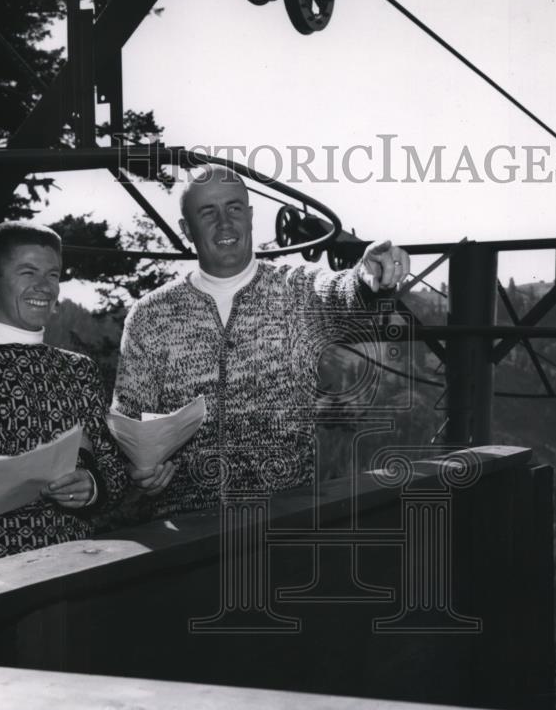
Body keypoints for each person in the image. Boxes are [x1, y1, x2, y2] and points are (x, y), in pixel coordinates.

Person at [112, 165, 410, 516]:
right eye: (207, 212)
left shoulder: (295, 290)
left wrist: (367, 276)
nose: (225, 223)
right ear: (186, 229)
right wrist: (138, 470)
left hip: (285, 529)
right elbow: (127, 427)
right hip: (186, 540)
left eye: (234, 208)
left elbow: (340, 292)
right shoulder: (150, 315)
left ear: (251, 216)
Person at [0, 221, 130, 566]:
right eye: (27, 272)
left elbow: (114, 472)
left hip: (77, 567)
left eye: (52, 275)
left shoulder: (78, 369)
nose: (43, 287)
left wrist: (91, 486)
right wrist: (69, 467)